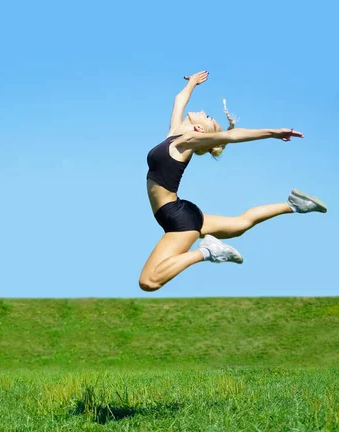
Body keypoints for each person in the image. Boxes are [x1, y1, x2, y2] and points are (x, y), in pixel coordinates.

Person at [139, 71, 327, 292]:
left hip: (177, 218)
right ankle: (294, 204)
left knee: (149, 282)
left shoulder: (187, 140)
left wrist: (272, 132)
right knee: (239, 225)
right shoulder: (175, 134)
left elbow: (231, 136)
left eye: (207, 116)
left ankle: (206, 251)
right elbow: (179, 100)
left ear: (200, 130)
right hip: (181, 210)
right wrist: (192, 83)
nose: (203, 112)